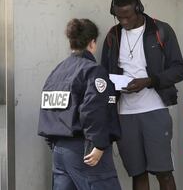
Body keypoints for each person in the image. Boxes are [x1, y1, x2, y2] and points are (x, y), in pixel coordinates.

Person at [101, 0, 183, 190]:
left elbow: (179, 69)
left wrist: (149, 81)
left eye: (127, 16)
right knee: (137, 173)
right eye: (118, 17)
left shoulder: (160, 30)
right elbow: (104, 73)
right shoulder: (113, 36)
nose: (123, 21)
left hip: (155, 109)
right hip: (124, 113)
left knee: (163, 172)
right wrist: (115, 86)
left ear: (139, 9)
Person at [38, 18, 122, 190]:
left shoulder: (58, 71)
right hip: (86, 150)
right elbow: (93, 110)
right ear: (92, 43)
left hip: (59, 150)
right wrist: (98, 145)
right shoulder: (93, 70)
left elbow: (48, 108)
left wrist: (54, 143)